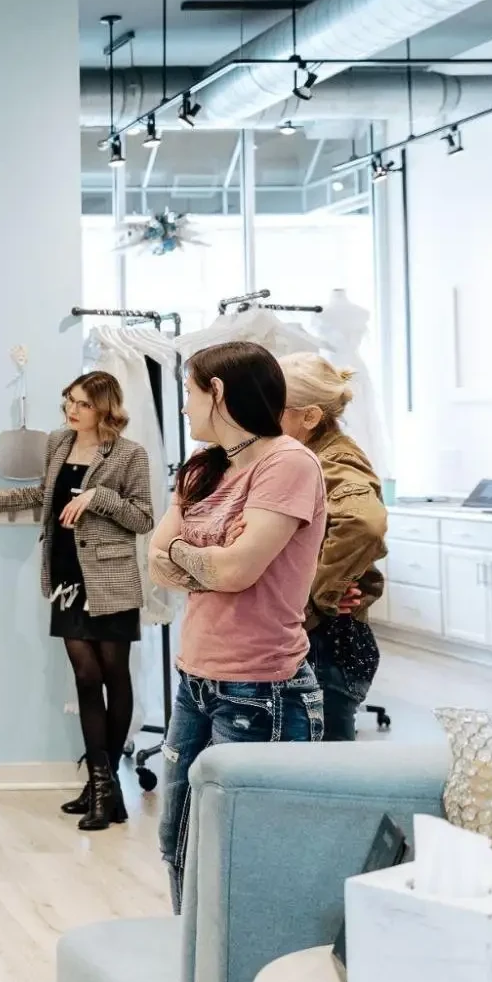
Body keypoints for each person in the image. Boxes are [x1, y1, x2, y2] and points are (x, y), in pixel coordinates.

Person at [149, 340, 327, 910]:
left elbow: (237, 569)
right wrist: (207, 566)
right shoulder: (204, 469)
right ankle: (194, 979)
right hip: (196, 678)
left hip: (262, 687)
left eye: (189, 393)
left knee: (243, 857)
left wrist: (192, 560)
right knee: (179, 843)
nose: (183, 407)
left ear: (218, 393)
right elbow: (156, 561)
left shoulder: (289, 463)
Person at [0, 371, 154, 831]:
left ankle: (105, 790)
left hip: (110, 578)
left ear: (104, 408)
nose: (72, 410)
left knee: (113, 676)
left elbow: (143, 518)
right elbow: (43, 495)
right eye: (68, 400)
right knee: (86, 678)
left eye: (83, 404)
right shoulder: (57, 443)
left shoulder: (130, 454)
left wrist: (97, 497)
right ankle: (101, 785)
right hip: (68, 576)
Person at [279, 353, 388, 741]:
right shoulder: (307, 455)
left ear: (309, 417)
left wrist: (316, 594)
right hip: (325, 640)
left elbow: (363, 522)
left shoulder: (333, 459)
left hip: (330, 644)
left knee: (324, 772)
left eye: (277, 410)